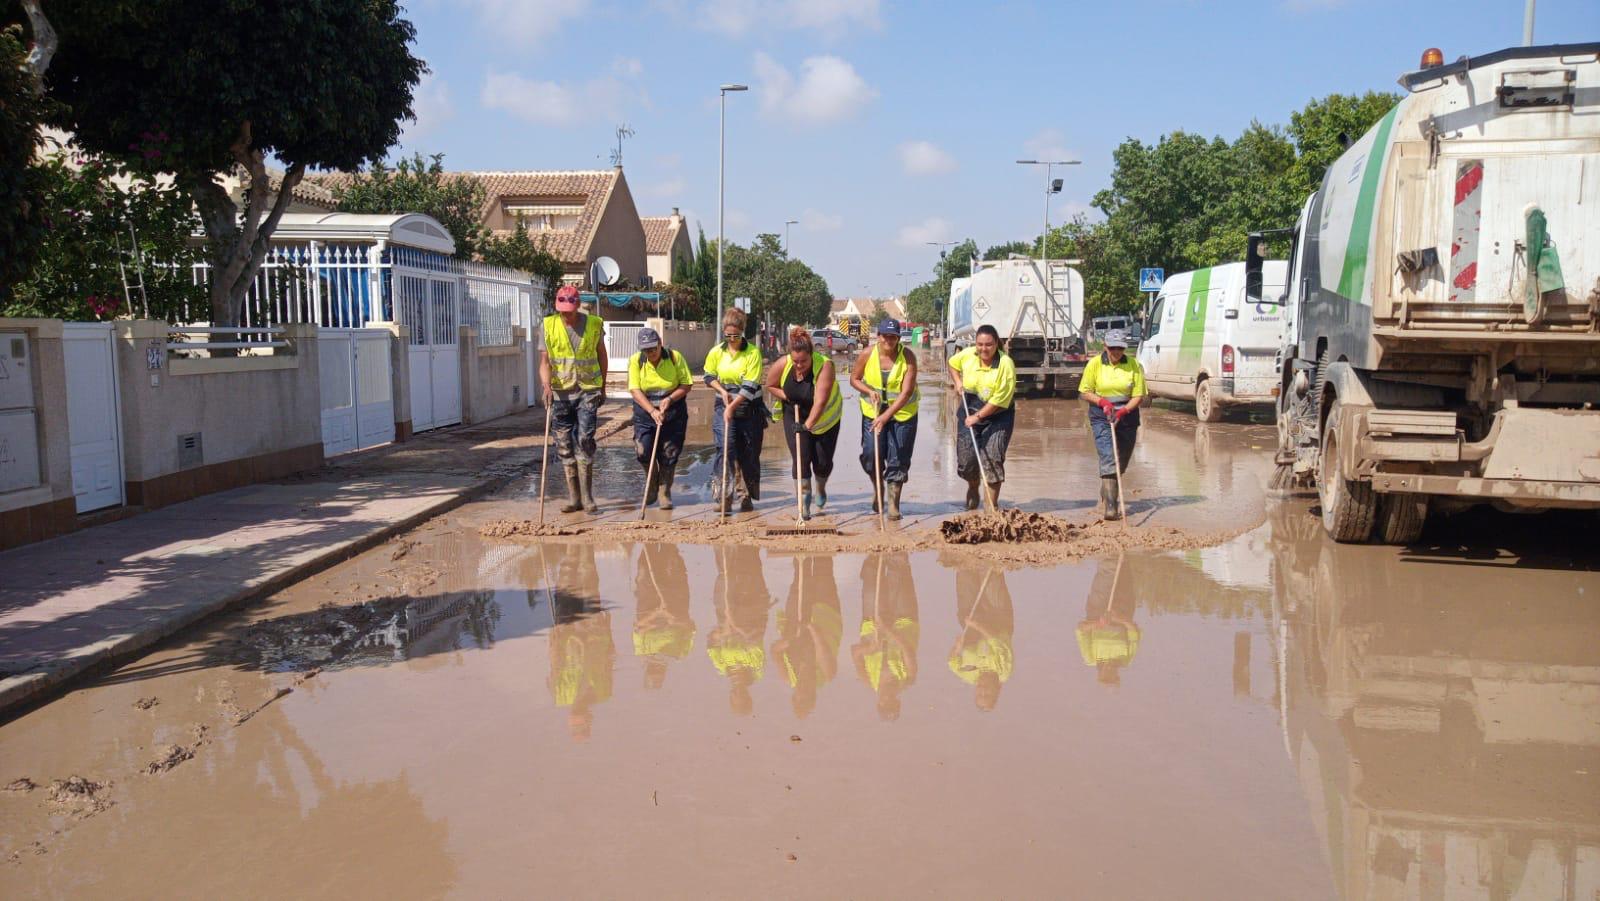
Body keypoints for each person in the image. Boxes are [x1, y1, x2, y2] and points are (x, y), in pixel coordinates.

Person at [540, 284, 609, 514]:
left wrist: (603, 386)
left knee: (585, 439)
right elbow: (545, 363)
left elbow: (602, 355)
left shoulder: (594, 324)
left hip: (588, 389)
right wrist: (546, 385)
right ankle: (574, 498)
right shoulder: (548, 325)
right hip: (561, 393)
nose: (566, 315)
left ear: (578, 305)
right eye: (562, 310)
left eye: (570, 310)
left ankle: (588, 497)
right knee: (563, 444)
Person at [765, 327, 843, 519]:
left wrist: (807, 426)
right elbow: (770, 385)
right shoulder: (783, 363)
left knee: (822, 463)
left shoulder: (825, 366)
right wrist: (788, 398)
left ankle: (821, 487)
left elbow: (820, 402)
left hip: (824, 420)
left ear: (812, 355)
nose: (799, 365)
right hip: (795, 415)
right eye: (795, 361)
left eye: (803, 361)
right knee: (801, 459)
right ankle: (804, 503)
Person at [850, 319, 920, 520]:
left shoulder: (908, 357)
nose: (889, 340)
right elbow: (854, 379)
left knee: (898, 456)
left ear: (899, 338)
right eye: (885, 336)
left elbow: (906, 392)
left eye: (893, 336)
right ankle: (878, 489)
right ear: (878, 336)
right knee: (872, 454)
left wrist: (886, 416)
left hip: (903, 414)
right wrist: (869, 390)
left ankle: (893, 504)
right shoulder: (867, 354)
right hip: (872, 412)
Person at [946, 324, 1017, 511]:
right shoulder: (968, 355)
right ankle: (973, 485)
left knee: (993, 457)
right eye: (980, 344)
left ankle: (990, 508)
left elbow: (998, 401)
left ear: (996, 344)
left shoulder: (1005, 364)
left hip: (998, 414)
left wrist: (978, 417)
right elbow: (952, 364)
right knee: (966, 460)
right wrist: (958, 382)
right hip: (969, 408)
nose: (984, 349)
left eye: (989, 345)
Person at [702, 308, 766, 512]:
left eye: (735, 336)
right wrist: (721, 390)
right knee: (726, 449)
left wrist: (733, 406)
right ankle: (724, 497)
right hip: (724, 405)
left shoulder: (752, 353)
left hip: (748, 408)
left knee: (748, 453)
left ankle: (746, 495)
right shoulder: (716, 352)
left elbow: (749, 386)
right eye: (728, 335)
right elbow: (708, 376)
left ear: (742, 331)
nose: (732, 339)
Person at [1079, 328, 1147, 520]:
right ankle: (1111, 508)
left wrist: (1124, 410)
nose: (1116, 352)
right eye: (1112, 348)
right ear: (1105, 347)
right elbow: (1085, 391)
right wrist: (1103, 402)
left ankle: (1107, 491)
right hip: (1102, 416)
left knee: (1121, 462)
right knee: (1108, 458)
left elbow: (1138, 395)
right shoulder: (1094, 364)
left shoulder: (1133, 365)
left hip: (1127, 416)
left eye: (1120, 348)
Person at [627, 327, 692, 510]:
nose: (650, 353)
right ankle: (652, 482)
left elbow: (686, 384)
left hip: (673, 412)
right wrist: (652, 410)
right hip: (645, 413)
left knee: (669, 453)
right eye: (646, 350)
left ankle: (664, 491)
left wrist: (669, 399)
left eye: (653, 349)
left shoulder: (674, 357)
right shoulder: (635, 361)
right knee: (642, 450)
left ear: (660, 344)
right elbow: (635, 389)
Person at [771, 555, 842, 719]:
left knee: (800, 577)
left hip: (795, 621)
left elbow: (774, 651)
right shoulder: (827, 674)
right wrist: (810, 627)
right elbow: (822, 647)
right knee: (823, 573)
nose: (802, 690)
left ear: (794, 694)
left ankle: (801, 546)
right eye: (806, 695)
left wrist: (787, 642)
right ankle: (822, 539)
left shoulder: (788, 675)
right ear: (813, 694)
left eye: (798, 696)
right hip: (826, 615)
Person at [851, 554, 919, 722]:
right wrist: (887, 630)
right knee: (899, 574)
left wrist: (869, 649)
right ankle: (895, 537)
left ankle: (875, 545)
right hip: (904, 621)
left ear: (879, 703)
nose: (889, 699)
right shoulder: (908, 678)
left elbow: (854, 652)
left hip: (872, 622)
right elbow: (907, 650)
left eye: (885, 704)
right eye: (893, 703)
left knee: (872, 580)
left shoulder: (867, 679)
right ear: (898, 702)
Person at [707, 545, 771, 717]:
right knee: (749, 566)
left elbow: (711, 640)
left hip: (725, 612)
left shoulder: (721, 666)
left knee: (725, 573)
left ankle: (725, 540)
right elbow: (756, 637)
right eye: (742, 696)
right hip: (751, 609)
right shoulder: (756, 669)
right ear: (747, 695)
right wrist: (737, 629)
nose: (738, 692)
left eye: (736, 696)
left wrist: (723, 632)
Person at [948, 566, 1014, 712]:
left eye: (979, 693)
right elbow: (997, 642)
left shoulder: (968, 676)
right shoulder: (1003, 671)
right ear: (997, 692)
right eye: (987, 693)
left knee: (964, 570)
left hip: (971, 620)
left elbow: (952, 663)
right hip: (998, 617)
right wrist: (978, 626)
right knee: (989, 570)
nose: (982, 689)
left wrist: (956, 649)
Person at [633, 543, 695, 690]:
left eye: (654, 671)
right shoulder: (679, 654)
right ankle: (667, 532)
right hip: (676, 602)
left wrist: (658, 613)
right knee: (672, 560)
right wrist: (673, 619)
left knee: (644, 566)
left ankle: (650, 534)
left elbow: (638, 627)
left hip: (648, 603)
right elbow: (690, 627)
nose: (657, 668)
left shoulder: (642, 652)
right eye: (658, 672)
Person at [1076, 554, 1140, 686]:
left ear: (1100, 674)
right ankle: (1122, 547)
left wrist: (1099, 623)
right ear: (1118, 675)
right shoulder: (1125, 660)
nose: (1110, 673)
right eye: (1113, 677)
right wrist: (1120, 619)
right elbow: (1135, 631)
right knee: (1124, 573)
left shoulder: (1091, 658)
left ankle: (1108, 548)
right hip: (1123, 611)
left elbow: (1081, 629)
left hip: (1097, 611)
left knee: (1108, 570)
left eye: (1106, 676)